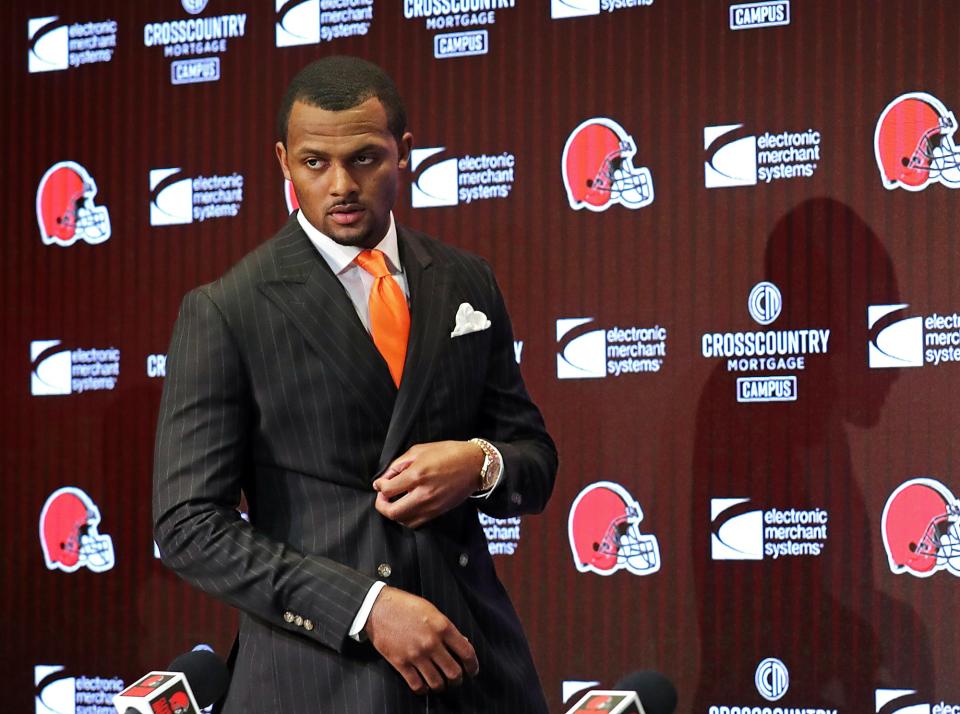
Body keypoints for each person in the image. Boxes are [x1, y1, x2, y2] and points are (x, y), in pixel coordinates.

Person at [152, 56, 558, 713]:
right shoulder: (228, 309)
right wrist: (367, 609)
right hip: (318, 683)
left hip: (478, 673)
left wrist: (479, 465)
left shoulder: (465, 280)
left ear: (405, 153)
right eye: (315, 163)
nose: (341, 185)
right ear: (284, 162)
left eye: (365, 159)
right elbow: (189, 527)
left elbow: (535, 461)